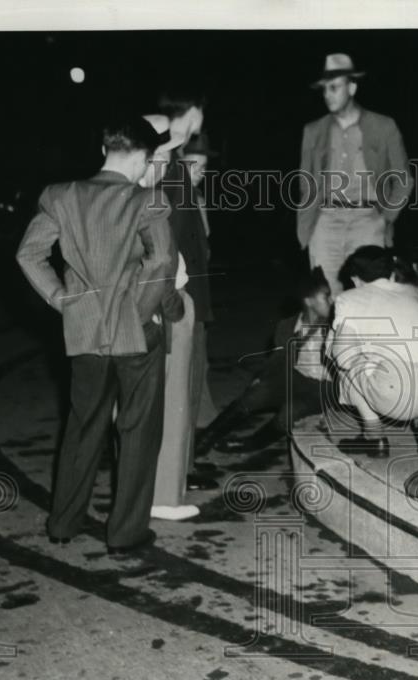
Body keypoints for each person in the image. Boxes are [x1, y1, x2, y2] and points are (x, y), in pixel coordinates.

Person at [16, 116, 182, 554]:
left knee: (82, 426)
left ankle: (63, 523)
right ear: (145, 158)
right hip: (137, 335)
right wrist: (138, 314)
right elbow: (161, 262)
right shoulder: (148, 200)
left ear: (104, 151)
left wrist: (60, 299)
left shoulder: (61, 196)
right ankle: (125, 533)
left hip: (85, 333)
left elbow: (29, 254)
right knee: (137, 432)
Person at [328, 246, 418, 459]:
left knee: (338, 352)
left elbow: (343, 358)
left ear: (355, 279)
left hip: (397, 393)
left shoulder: (349, 298)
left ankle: (374, 437)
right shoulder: (412, 291)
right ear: (392, 273)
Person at [297, 53, 413, 296]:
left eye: (334, 87)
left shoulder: (383, 126)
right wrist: (308, 228)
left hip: (367, 220)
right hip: (325, 221)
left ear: (352, 87)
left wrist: (385, 218)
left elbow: (403, 179)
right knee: (326, 297)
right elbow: (306, 183)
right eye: (324, 89)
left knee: (368, 295)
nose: (327, 94)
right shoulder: (313, 131)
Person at [154, 91, 222, 481]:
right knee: (180, 384)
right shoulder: (167, 167)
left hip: (191, 290)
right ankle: (177, 468)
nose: (197, 129)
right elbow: (169, 238)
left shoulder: (176, 166)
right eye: (193, 120)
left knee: (189, 381)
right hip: (181, 293)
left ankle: (185, 462)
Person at [138, 113, 203, 522]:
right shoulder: (153, 195)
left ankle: (143, 491)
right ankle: (164, 496)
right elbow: (161, 259)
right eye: (164, 152)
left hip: (138, 306)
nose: (169, 161)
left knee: (137, 407)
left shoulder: (122, 192)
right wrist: (171, 306)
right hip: (165, 301)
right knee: (171, 402)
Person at [194, 268, 334, 455]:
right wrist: (261, 379)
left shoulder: (336, 325)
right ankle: (203, 442)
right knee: (253, 396)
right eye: (326, 297)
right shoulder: (289, 326)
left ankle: (250, 444)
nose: (331, 301)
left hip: (322, 388)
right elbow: (278, 360)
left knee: (289, 414)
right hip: (295, 377)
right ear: (309, 301)